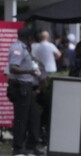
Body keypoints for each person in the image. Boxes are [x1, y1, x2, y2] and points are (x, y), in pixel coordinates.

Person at [6, 27, 44, 156]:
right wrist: (29, 71)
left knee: (34, 116)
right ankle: (17, 148)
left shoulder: (25, 48)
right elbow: (13, 68)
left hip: (27, 87)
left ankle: (31, 146)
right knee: (21, 119)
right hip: (20, 87)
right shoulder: (17, 48)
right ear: (29, 38)